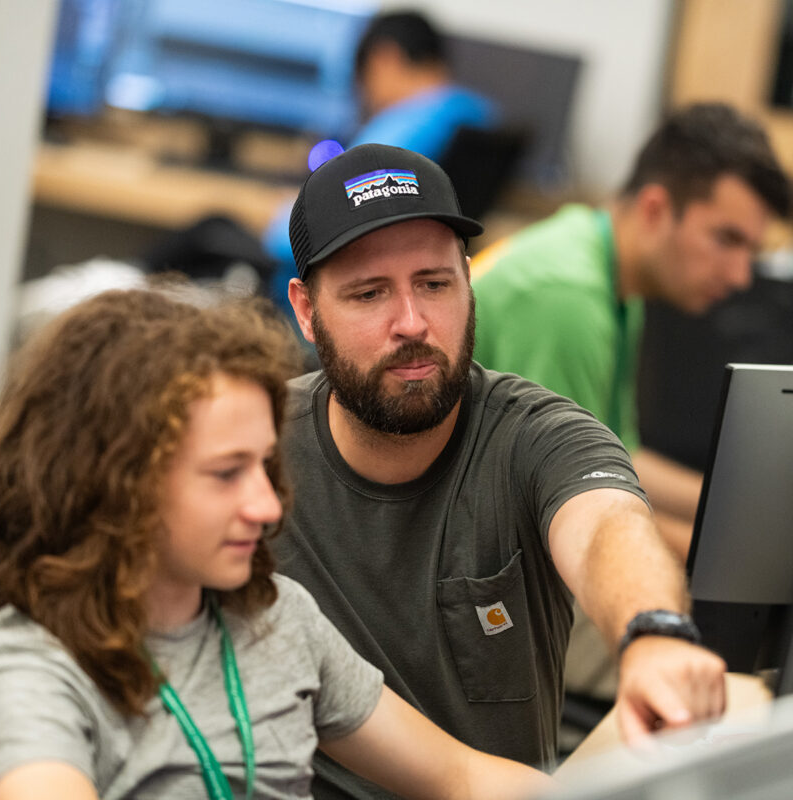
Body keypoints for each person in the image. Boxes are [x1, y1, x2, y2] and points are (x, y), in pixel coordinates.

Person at [274, 142, 727, 799]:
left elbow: (607, 526)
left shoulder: (537, 436)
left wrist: (653, 633)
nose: (413, 322)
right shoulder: (252, 452)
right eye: (369, 293)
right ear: (307, 311)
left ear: (468, 280)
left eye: (435, 283)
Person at [0, 287, 556, 799]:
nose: (266, 508)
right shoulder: (33, 670)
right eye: (225, 473)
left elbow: (462, 778)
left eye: (264, 465)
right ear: (114, 480)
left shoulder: (278, 619)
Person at [471, 102, 790, 709]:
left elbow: (619, 455)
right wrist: (732, 554)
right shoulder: (568, 300)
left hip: (538, 554)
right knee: (734, 685)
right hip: (494, 589)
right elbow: (579, 503)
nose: (742, 274)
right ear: (654, 209)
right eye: (726, 239)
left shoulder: (610, 275)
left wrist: (749, 519)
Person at [263, 10, 497, 308]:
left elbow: (303, 238)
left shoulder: (407, 126)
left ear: (385, 59)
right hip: (417, 285)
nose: (365, 96)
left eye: (363, 79)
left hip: (338, 297)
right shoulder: (478, 114)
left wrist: (276, 221)